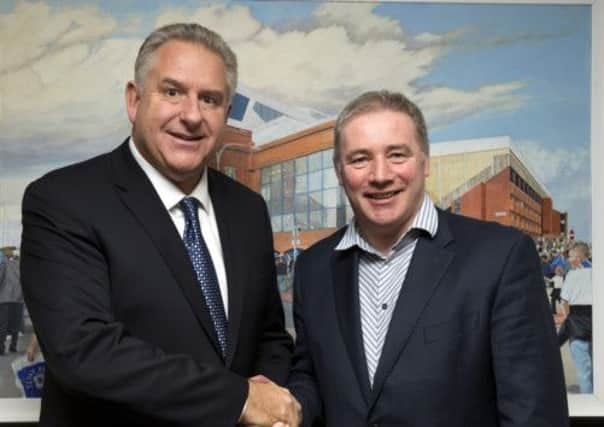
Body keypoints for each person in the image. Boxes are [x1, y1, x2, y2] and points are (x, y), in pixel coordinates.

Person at [21, 23, 300, 427]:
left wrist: (268, 400)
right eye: (172, 92)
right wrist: (241, 400)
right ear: (134, 100)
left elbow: (270, 336)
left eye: (210, 99)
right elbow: (84, 352)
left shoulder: (247, 210)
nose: (191, 115)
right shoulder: (63, 201)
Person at [287, 90, 568, 426]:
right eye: (360, 159)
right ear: (339, 170)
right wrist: (286, 406)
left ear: (425, 161)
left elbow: (535, 414)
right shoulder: (313, 268)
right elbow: (312, 379)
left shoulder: (500, 257)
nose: (380, 175)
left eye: (397, 155)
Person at [560, 241, 592, 393]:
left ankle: (589, 406)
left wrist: (567, 318)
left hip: (577, 323)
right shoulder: (596, 272)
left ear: (578, 257)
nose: (568, 259)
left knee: (583, 370)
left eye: (571, 256)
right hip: (595, 322)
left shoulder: (572, 275)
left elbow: (564, 301)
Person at [0, 250, 23, 355]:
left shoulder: (4, 265)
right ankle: (13, 346)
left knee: (3, 324)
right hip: (19, 299)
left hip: (5, 299)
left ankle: (1, 348)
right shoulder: (22, 266)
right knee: (16, 323)